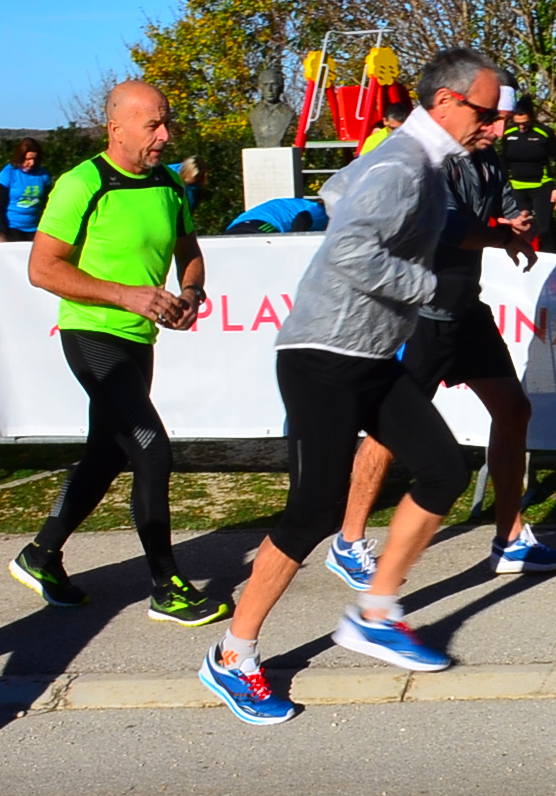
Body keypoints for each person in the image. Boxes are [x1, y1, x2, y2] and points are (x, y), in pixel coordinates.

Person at [197, 49, 502, 724]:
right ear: (447, 102)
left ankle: (375, 611)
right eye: (485, 110)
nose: (494, 123)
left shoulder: (415, 159)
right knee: (311, 513)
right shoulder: (402, 164)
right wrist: (425, 287)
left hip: (366, 355)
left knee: (443, 468)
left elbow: (337, 194)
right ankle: (233, 655)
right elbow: (349, 251)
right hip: (322, 356)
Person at [328, 86, 556, 590]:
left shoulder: (488, 161)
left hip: (466, 310)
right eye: (493, 120)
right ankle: (348, 540)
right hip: (418, 316)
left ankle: (509, 538)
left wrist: (517, 223)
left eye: (505, 120)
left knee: (513, 410)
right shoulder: (429, 160)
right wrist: (502, 234)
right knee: (387, 428)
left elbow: (507, 210)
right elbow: (447, 227)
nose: (500, 131)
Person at [7, 81, 229, 627]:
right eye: (153, 125)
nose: (165, 135)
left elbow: (189, 252)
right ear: (116, 128)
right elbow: (42, 269)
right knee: (151, 449)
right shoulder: (83, 183)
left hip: (139, 339)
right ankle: (166, 586)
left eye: (167, 123)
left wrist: (191, 294)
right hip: (92, 335)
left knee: (107, 454)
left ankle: (40, 555)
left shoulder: (168, 183)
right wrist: (128, 295)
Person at [500, 96, 556, 252]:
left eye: (525, 123)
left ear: (532, 118)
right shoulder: (508, 134)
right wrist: (502, 185)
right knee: (521, 228)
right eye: (518, 123)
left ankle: (551, 259)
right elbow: (503, 161)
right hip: (517, 188)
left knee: (545, 228)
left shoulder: (544, 133)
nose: (522, 127)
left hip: (541, 187)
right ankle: (523, 260)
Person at [0, 140, 51, 242]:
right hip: (12, 227)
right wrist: (4, 232)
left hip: (35, 227)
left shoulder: (43, 174)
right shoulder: (8, 173)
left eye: (35, 159)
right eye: (28, 159)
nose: (32, 163)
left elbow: (48, 203)